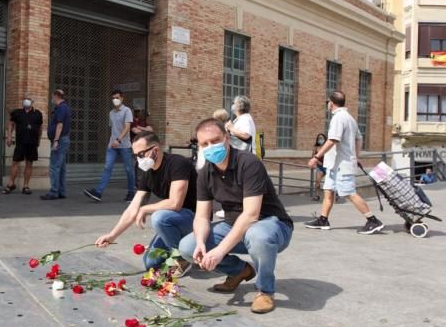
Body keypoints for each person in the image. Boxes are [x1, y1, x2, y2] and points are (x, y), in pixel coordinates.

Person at [178, 119, 293, 314]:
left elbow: (251, 215)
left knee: (257, 235)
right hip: (234, 227)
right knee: (187, 247)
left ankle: (264, 290)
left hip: (271, 226)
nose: (210, 147)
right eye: (204, 144)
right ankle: (240, 271)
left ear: (227, 138)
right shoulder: (205, 173)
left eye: (215, 140)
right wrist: (200, 242)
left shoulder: (248, 163)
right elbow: (202, 217)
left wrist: (220, 251)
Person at [95, 131, 197, 274]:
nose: (138, 160)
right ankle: (186, 248)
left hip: (193, 219)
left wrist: (145, 209)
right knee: (150, 263)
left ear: (155, 150)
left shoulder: (178, 163)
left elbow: (175, 203)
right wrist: (112, 235)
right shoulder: (148, 174)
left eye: (141, 155)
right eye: (135, 156)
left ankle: (183, 256)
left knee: (159, 217)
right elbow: (132, 209)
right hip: (173, 222)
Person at [305, 91, 385, 234]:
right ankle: (323, 220)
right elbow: (359, 138)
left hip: (342, 165)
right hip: (335, 164)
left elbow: (333, 139)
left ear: (331, 103)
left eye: (327, 102)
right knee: (328, 190)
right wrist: (356, 155)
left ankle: (373, 220)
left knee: (349, 193)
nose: (327, 105)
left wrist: (316, 157)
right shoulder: (350, 118)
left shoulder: (338, 118)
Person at [84, 89, 136, 202]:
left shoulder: (127, 111)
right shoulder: (111, 113)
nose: (115, 100)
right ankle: (98, 192)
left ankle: (132, 193)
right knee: (107, 168)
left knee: (128, 169)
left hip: (124, 146)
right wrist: (113, 140)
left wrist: (118, 139)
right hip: (112, 146)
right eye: (113, 98)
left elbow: (127, 127)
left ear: (122, 98)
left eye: (117, 98)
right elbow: (112, 128)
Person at [4, 97, 43, 195]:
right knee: (15, 162)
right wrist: (9, 137)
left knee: (29, 164)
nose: (26, 101)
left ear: (32, 102)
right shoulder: (17, 112)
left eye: (29, 100)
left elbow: (40, 128)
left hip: (32, 143)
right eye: (25, 99)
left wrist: (38, 141)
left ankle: (26, 186)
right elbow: (10, 124)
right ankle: (10, 184)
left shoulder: (38, 113)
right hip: (20, 142)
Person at [41, 89, 71, 200]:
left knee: (54, 166)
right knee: (62, 167)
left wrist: (56, 141)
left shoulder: (61, 108)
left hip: (60, 140)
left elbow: (60, 125)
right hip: (64, 139)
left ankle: (54, 192)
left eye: (53, 96)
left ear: (57, 96)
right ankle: (61, 192)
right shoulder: (65, 107)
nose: (52, 99)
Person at [311, 133, 327, 200]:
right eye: (319, 138)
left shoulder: (327, 146)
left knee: (329, 182)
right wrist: (317, 161)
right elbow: (313, 156)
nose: (320, 139)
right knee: (317, 181)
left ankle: (335, 195)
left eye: (321, 138)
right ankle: (317, 196)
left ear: (324, 139)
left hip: (327, 166)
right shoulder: (316, 147)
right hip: (319, 167)